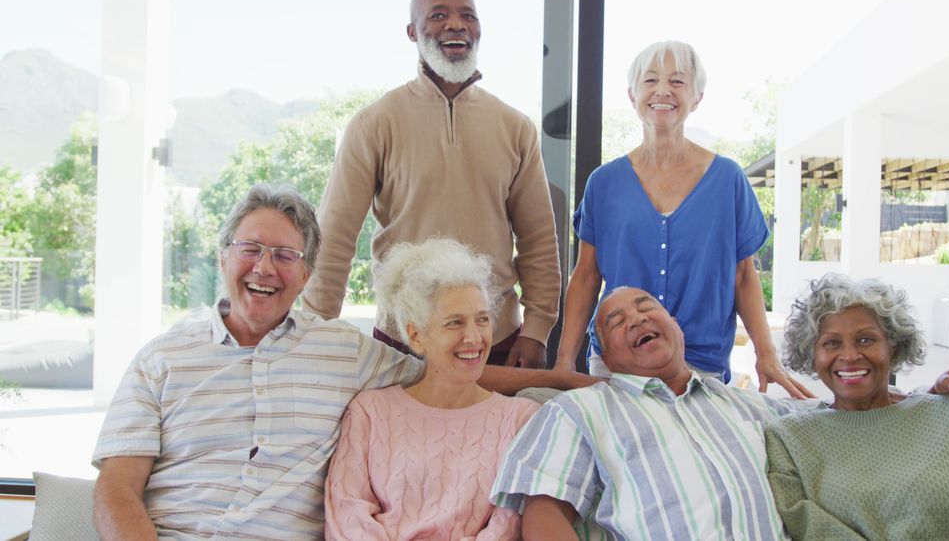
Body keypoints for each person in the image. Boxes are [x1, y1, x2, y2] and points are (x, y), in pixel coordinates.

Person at [92, 184, 591, 540]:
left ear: (307, 274)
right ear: (222, 256)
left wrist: (560, 378)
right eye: (250, 249)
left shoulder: (344, 350)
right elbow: (116, 488)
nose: (265, 267)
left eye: (286, 256)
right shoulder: (161, 360)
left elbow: (448, 369)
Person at [491, 286, 949, 539]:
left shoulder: (752, 407)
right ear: (605, 352)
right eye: (616, 321)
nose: (636, 318)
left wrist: (937, 395)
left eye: (647, 306)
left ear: (673, 323)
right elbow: (546, 510)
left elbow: (854, 409)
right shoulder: (580, 411)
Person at [303, 0, 559, 370]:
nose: (455, 24)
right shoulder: (375, 123)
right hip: (403, 339)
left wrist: (537, 329)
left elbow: (538, 239)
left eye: (467, 16)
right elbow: (335, 237)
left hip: (495, 339)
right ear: (412, 32)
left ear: (479, 29)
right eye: (438, 15)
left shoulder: (515, 127)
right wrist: (316, 331)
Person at [553, 41, 806, 398]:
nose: (662, 91)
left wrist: (767, 355)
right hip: (617, 366)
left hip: (701, 363)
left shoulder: (728, 180)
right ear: (632, 95)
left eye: (677, 81)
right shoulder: (603, 184)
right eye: (650, 80)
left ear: (697, 96)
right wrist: (564, 362)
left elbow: (744, 275)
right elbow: (586, 276)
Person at [765, 274, 949, 540]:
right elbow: (813, 530)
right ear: (812, 355)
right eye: (831, 343)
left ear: (893, 348)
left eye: (866, 339)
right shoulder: (789, 438)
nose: (850, 355)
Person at [325, 238, 539, 540]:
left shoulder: (521, 420)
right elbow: (346, 516)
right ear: (416, 336)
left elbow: (510, 524)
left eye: (482, 320)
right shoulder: (369, 412)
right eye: (454, 323)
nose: (474, 337)